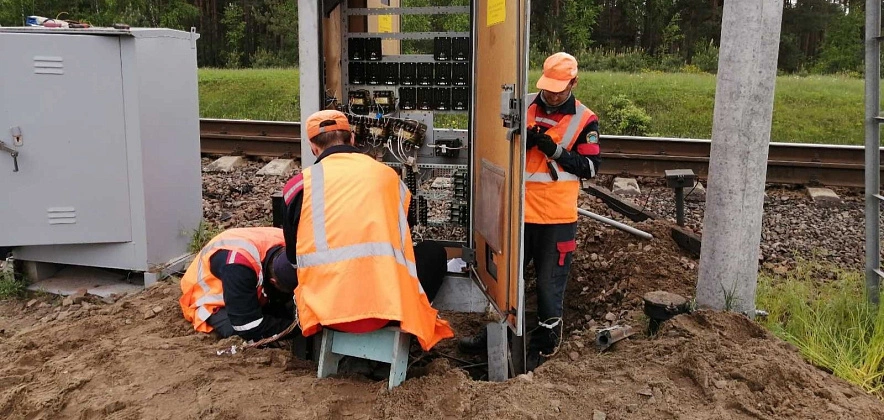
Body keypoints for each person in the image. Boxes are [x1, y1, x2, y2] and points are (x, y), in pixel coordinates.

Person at [459, 52, 601, 371]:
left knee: (550, 286)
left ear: (573, 83)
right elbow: (495, 143)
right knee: (503, 280)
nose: (551, 95)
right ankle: (496, 334)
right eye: (548, 87)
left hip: (555, 221)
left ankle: (544, 346)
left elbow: (590, 167)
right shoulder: (521, 104)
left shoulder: (584, 119)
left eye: (559, 89)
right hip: (515, 215)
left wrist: (555, 151)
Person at [279, 109, 454, 351]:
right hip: (386, 312)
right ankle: (407, 340)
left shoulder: (298, 186)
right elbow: (406, 230)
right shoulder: (388, 177)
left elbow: (292, 259)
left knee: (282, 266)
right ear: (352, 139)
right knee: (433, 252)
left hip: (326, 313)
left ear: (312, 147)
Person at [178, 227, 300, 342]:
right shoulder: (237, 268)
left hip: (237, 268)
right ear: (273, 282)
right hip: (207, 295)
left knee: (281, 311)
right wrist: (298, 328)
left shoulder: (292, 245)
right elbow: (248, 327)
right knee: (238, 332)